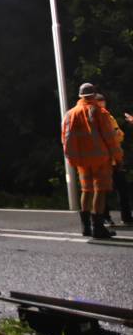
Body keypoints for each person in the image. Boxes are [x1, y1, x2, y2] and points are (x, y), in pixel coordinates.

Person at [62, 83, 123, 239]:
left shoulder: (70, 114)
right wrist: (117, 156)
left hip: (81, 161)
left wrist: (71, 158)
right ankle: (98, 227)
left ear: (80, 96)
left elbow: (66, 138)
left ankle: (86, 227)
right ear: (94, 95)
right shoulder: (99, 112)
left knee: (86, 190)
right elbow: (109, 138)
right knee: (100, 191)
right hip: (100, 158)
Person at [96, 94, 131, 226]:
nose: (102, 106)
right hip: (102, 160)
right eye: (99, 103)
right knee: (103, 190)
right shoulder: (92, 119)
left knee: (123, 188)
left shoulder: (109, 117)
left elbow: (120, 135)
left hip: (115, 159)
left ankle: (126, 217)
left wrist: (114, 137)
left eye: (103, 103)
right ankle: (105, 217)